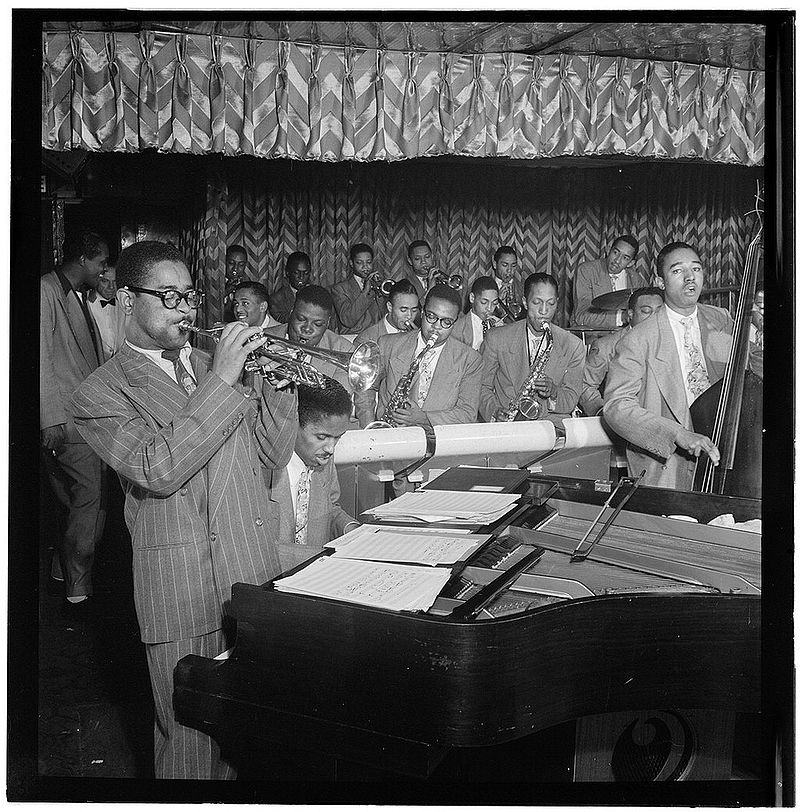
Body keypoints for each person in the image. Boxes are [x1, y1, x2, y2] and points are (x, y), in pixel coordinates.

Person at [71, 241, 298, 780]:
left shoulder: (208, 362)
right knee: (191, 745)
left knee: (250, 739)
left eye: (190, 296)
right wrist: (223, 383)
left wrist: (279, 394)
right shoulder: (99, 393)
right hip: (179, 584)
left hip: (250, 573)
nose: (186, 310)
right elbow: (159, 468)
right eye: (169, 297)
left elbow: (270, 457)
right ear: (127, 300)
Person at [603, 242, 735, 490]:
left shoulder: (722, 319)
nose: (689, 278)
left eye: (696, 269)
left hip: (723, 456)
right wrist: (677, 434)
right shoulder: (638, 339)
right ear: (660, 282)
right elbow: (616, 407)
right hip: (668, 464)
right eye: (677, 271)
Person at [40, 230, 110, 606]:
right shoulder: (46, 291)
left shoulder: (75, 295)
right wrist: (49, 420)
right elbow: (38, 360)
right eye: (100, 262)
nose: (103, 269)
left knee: (78, 504)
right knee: (87, 505)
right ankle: (78, 589)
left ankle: (60, 569)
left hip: (83, 420)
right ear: (84, 259)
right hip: (67, 421)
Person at [355, 284, 483, 429]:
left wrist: (424, 418)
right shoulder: (388, 344)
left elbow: (467, 414)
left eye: (446, 322)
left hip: (437, 443)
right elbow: (365, 386)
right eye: (431, 316)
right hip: (389, 436)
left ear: (455, 322)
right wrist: (368, 426)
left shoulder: (470, 360)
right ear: (422, 312)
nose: (436, 326)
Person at [264, 380, 359, 571]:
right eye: (321, 437)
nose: (331, 449)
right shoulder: (262, 466)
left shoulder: (322, 457)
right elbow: (258, 546)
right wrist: (324, 558)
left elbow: (328, 509)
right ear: (293, 423)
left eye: (338, 437)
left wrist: (351, 529)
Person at [480, 273, 585, 429]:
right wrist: (494, 411)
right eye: (537, 303)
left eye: (551, 304)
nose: (544, 311)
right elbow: (482, 386)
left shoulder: (573, 345)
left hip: (551, 427)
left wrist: (554, 392)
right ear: (525, 302)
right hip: (507, 427)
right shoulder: (496, 338)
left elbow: (571, 398)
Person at [579, 287, 665, 416]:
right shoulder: (606, 345)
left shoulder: (670, 342)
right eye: (646, 311)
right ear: (630, 314)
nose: (654, 318)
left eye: (659, 312)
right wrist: (602, 411)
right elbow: (585, 385)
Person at [263, 284, 356, 396]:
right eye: (301, 319)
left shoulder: (344, 350)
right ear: (291, 312)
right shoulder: (264, 339)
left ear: (327, 323)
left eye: (317, 324)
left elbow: (337, 402)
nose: (307, 329)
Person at [571, 235, 648, 331]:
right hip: (591, 335)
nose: (617, 260)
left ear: (631, 263)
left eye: (625, 258)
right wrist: (620, 318)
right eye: (616, 252)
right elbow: (582, 316)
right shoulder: (587, 271)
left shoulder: (637, 280)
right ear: (608, 250)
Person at [330, 243, 385, 335]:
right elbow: (348, 320)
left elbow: (384, 316)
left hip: (378, 337)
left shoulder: (378, 285)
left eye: (369, 262)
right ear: (351, 263)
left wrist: (380, 293)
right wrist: (365, 292)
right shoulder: (339, 289)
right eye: (359, 263)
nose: (365, 267)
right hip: (352, 338)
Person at [355, 279, 420, 345]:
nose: (409, 316)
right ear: (390, 307)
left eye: (414, 310)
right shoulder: (366, 340)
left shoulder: (417, 335)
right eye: (403, 310)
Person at [86, 263, 126, 360]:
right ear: (97, 281)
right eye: (105, 281)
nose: (111, 287)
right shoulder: (86, 303)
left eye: (115, 282)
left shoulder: (124, 303)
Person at [450, 276, 501, 351]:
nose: (489, 308)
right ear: (472, 298)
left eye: (494, 303)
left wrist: (503, 333)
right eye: (484, 302)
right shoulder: (458, 328)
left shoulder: (497, 325)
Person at [270, 251, 313, 323]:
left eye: (306, 273)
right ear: (288, 273)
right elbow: (282, 324)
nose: (301, 277)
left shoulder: (316, 294)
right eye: (296, 273)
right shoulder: (276, 299)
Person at [489, 246, 523, 317]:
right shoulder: (484, 286)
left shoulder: (522, 288)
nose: (509, 270)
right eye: (505, 265)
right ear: (495, 264)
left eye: (513, 266)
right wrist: (497, 302)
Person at [222, 245, 248, 321]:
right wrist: (226, 291)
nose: (235, 268)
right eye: (231, 263)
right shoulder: (215, 282)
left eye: (241, 265)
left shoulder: (248, 285)